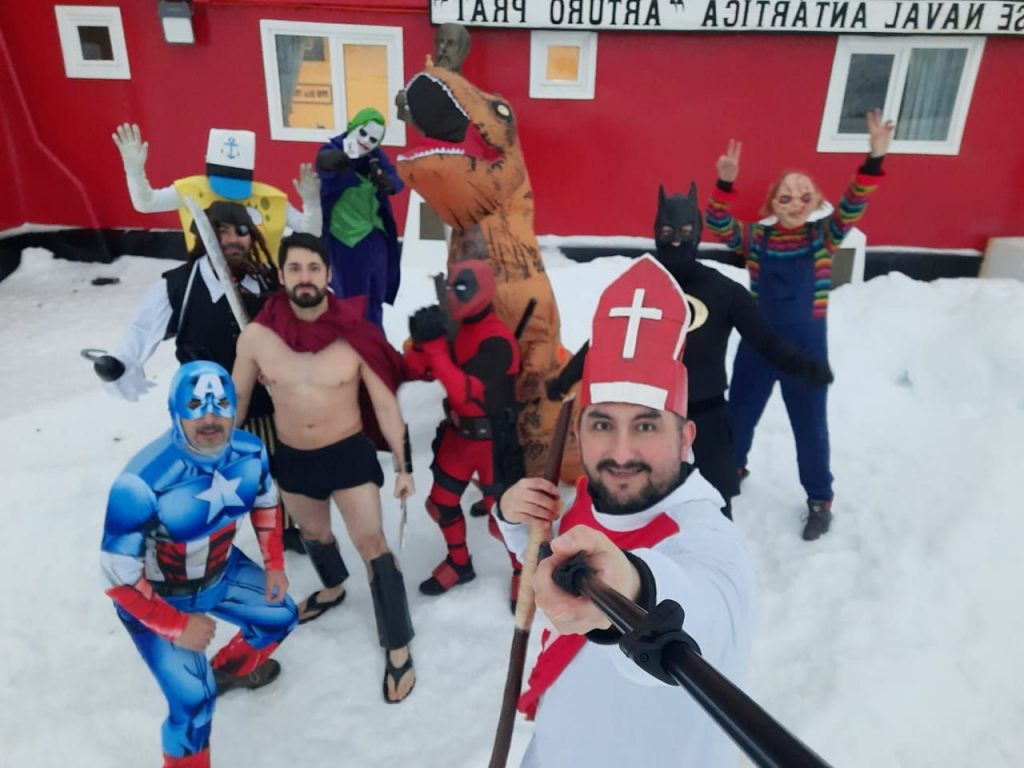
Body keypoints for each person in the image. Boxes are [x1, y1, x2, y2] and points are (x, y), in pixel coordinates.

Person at [494, 255, 757, 768]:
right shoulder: (593, 502)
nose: (620, 453)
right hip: (550, 747)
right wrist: (516, 520)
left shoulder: (710, 540)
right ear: (577, 433)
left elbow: (699, 610)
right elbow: (551, 559)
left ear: (686, 437)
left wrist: (633, 594)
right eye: (601, 424)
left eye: (646, 425)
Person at [547, 183, 833, 518]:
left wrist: (804, 366)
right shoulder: (640, 287)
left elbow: (765, 341)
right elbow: (604, 340)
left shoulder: (724, 292)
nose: (676, 241)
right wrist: (565, 379)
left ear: (697, 233)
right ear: (657, 233)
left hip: (708, 417)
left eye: (685, 232)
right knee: (643, 505)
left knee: (715, 506)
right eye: (668, 232)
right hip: (651, 419)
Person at [232, 232, 417, 703]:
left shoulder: (355, 333)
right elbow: (239, 398)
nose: (305, 277)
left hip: (348, 454)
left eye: (313, 268)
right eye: (295, 268)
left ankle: (398, 643)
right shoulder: (258, 337)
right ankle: (333, 587)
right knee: (314, 534)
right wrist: (215, 457)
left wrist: (404, 465)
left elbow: (385, 404)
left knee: (373, 545)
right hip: (294, 457)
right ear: (281, 275)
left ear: (328, 274)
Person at [705, 109, 894, 540]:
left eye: (802, 196)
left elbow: (854, 203)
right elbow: (717, 222)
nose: (794, 202)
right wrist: (725, 181)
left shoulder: (823, 236)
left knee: (809, 427)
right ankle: (732, 469)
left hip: (806, 353)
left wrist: (875, 158)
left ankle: (819, 499)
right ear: (773, 203)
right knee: (739, 415)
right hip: (758, 346)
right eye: (785, 197)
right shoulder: (758, 240)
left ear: (814, 202)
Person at [100, 360, 298, 768]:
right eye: (195, 405)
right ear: (175, 411)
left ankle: (229, 672)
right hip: (159, 596)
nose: (210, 418)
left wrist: (274, 562)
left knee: (280, 616)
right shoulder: (141, 482)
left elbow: (265, 502)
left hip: (221, 572)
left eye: (221, 404)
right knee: (194, 703)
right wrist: (175, 624)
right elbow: (116, 575)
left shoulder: (249, 451)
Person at [92, 201, 306, 553]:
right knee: (207, 480)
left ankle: (284, 530)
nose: (233, 240)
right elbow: (142, 329)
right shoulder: (179, 285)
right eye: (221, 231)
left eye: (241, 231)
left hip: (264, 404)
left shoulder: (268, 281)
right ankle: (196, 543)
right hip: (206, 407)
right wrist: (121, 363)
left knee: (275, 467)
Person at [404, 259, 526, 608]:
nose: (453, 297)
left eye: (461, 288)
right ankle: (459, 563)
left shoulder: (498, 340)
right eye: (450, 289)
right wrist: (420, 343)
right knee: (440, 504)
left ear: (482, 288)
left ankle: (524, 570)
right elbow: (418, 371)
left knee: (502, 518)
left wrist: (435, 348)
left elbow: (465, 392)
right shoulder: (455, 329)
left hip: (493, 443)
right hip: (459, 436)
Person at [112, 123, 321, 262]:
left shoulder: (270, 199)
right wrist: (134, 171)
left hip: (262, 282)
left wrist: (312, 203)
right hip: (207, 279)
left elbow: (311, 232)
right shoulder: (191, 191)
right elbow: (146, 204)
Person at [315, 107, 404, 328]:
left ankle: (375, 337)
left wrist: (389, 182)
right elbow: (324, 164)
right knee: (352, 299)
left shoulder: (375, 157)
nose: (365, 141)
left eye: (373, 139)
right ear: (353, 127)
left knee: (376, 294)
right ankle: (354, 339)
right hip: (345, 239)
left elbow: (395, 176)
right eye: (362, 133)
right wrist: (335, 161)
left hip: (374, 236)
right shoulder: (334, 148)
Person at [395, 22, 471, 123]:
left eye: (450, 43)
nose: (442, 49)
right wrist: (401, 106)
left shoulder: (469, 95)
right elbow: (413, 119)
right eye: (439, 42)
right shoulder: (424, 85)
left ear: (463, 51)